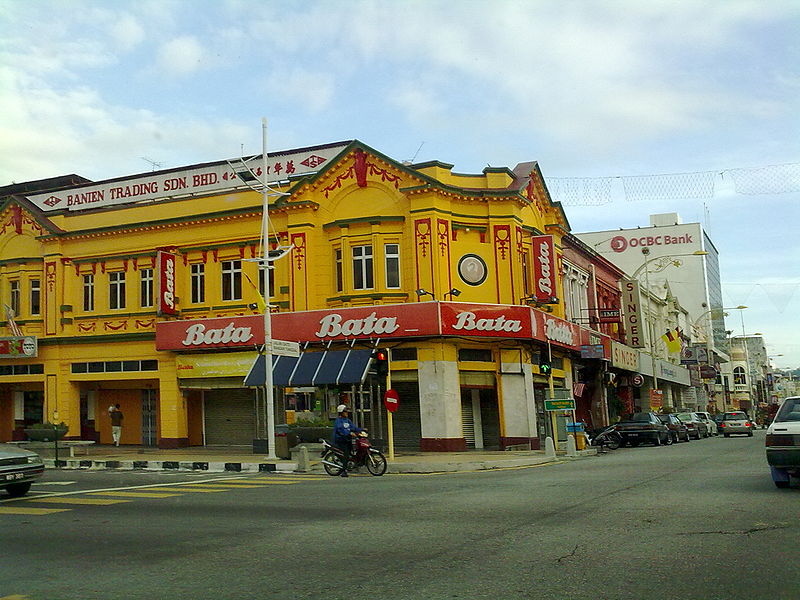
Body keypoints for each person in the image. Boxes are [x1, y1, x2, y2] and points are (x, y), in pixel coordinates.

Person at [332, 404, 362, 477]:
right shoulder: (338, 421)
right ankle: (344, 471)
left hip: (347, 439)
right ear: (341, 412)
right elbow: (340, 430)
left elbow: (353, 427)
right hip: (340, 440)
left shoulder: (348, 420)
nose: (347, 413)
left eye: (347, 412)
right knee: (346, 455)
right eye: (345, 411)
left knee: (352, 452)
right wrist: (349, 433)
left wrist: (362, 430)